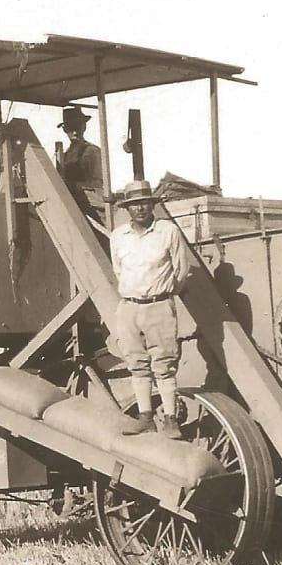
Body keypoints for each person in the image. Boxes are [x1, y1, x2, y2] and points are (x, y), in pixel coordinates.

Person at [109, 180, 193, 437]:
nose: (140, 208)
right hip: (129, 308)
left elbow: (182, 271)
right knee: (136, 363)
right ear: (127, 208)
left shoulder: (168, 231)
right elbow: (118, 270)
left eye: (144, 202)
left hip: (159, 306)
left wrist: (163, 295)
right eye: (134, 204)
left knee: (164, 364)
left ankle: (170, 419)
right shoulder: (118, 237)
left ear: (152, 204)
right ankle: (145, 416)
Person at [56, 105, 103, 198]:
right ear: (65, 130)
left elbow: (98, 184)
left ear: (84, 127)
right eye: (70, 128)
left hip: (89, 203)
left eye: (77, 127)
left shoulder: (92, 151)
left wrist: (72, 185)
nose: (74, 132)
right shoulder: (63, 156)